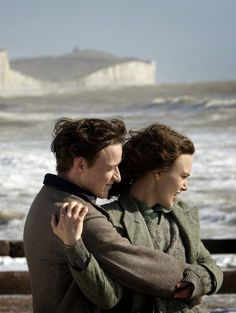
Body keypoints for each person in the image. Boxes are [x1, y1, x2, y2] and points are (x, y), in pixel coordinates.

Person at [24, 118, 191, 313]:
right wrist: (198, 276)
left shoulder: (46, 197)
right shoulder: (77, 214)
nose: (118, 176)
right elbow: (138, 265)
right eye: (112, 167)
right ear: (80, 164)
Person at [54, 122, 223, 313]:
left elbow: (210, 266)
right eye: (183, 176)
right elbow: (105, 296)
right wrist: (74, 247)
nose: (185, 186)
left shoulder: (183, 215)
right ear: (158, 173)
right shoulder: (109, 219)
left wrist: (198, 281)